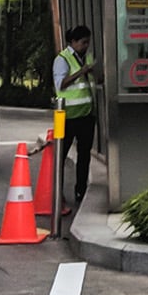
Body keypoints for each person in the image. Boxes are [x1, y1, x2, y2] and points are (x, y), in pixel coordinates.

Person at [51, 27, 98, 212]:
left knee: (84, 154)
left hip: (86, 114)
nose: (86, 46)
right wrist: (82, 71)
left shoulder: (86, 57)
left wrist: (92, 72)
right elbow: (60, 84)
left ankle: (81, 190)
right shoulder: (62, 59)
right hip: (66, 115)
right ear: (74, 42)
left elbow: (94, 80)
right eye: (83, 42)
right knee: (60, 156)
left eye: (88, 42)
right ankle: (57, 192)